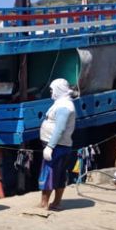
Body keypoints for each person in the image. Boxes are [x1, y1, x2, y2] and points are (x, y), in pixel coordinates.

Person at [38, 78, 76, 210]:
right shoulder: (61, 103)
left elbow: (60, 128)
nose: (51, 92)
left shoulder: (64, 106)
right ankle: (56, 203)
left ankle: (45, 203)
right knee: (59, 174)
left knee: (50, 174)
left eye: (52, 89)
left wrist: (50, 147)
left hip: (57, 146)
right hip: (59, 145)